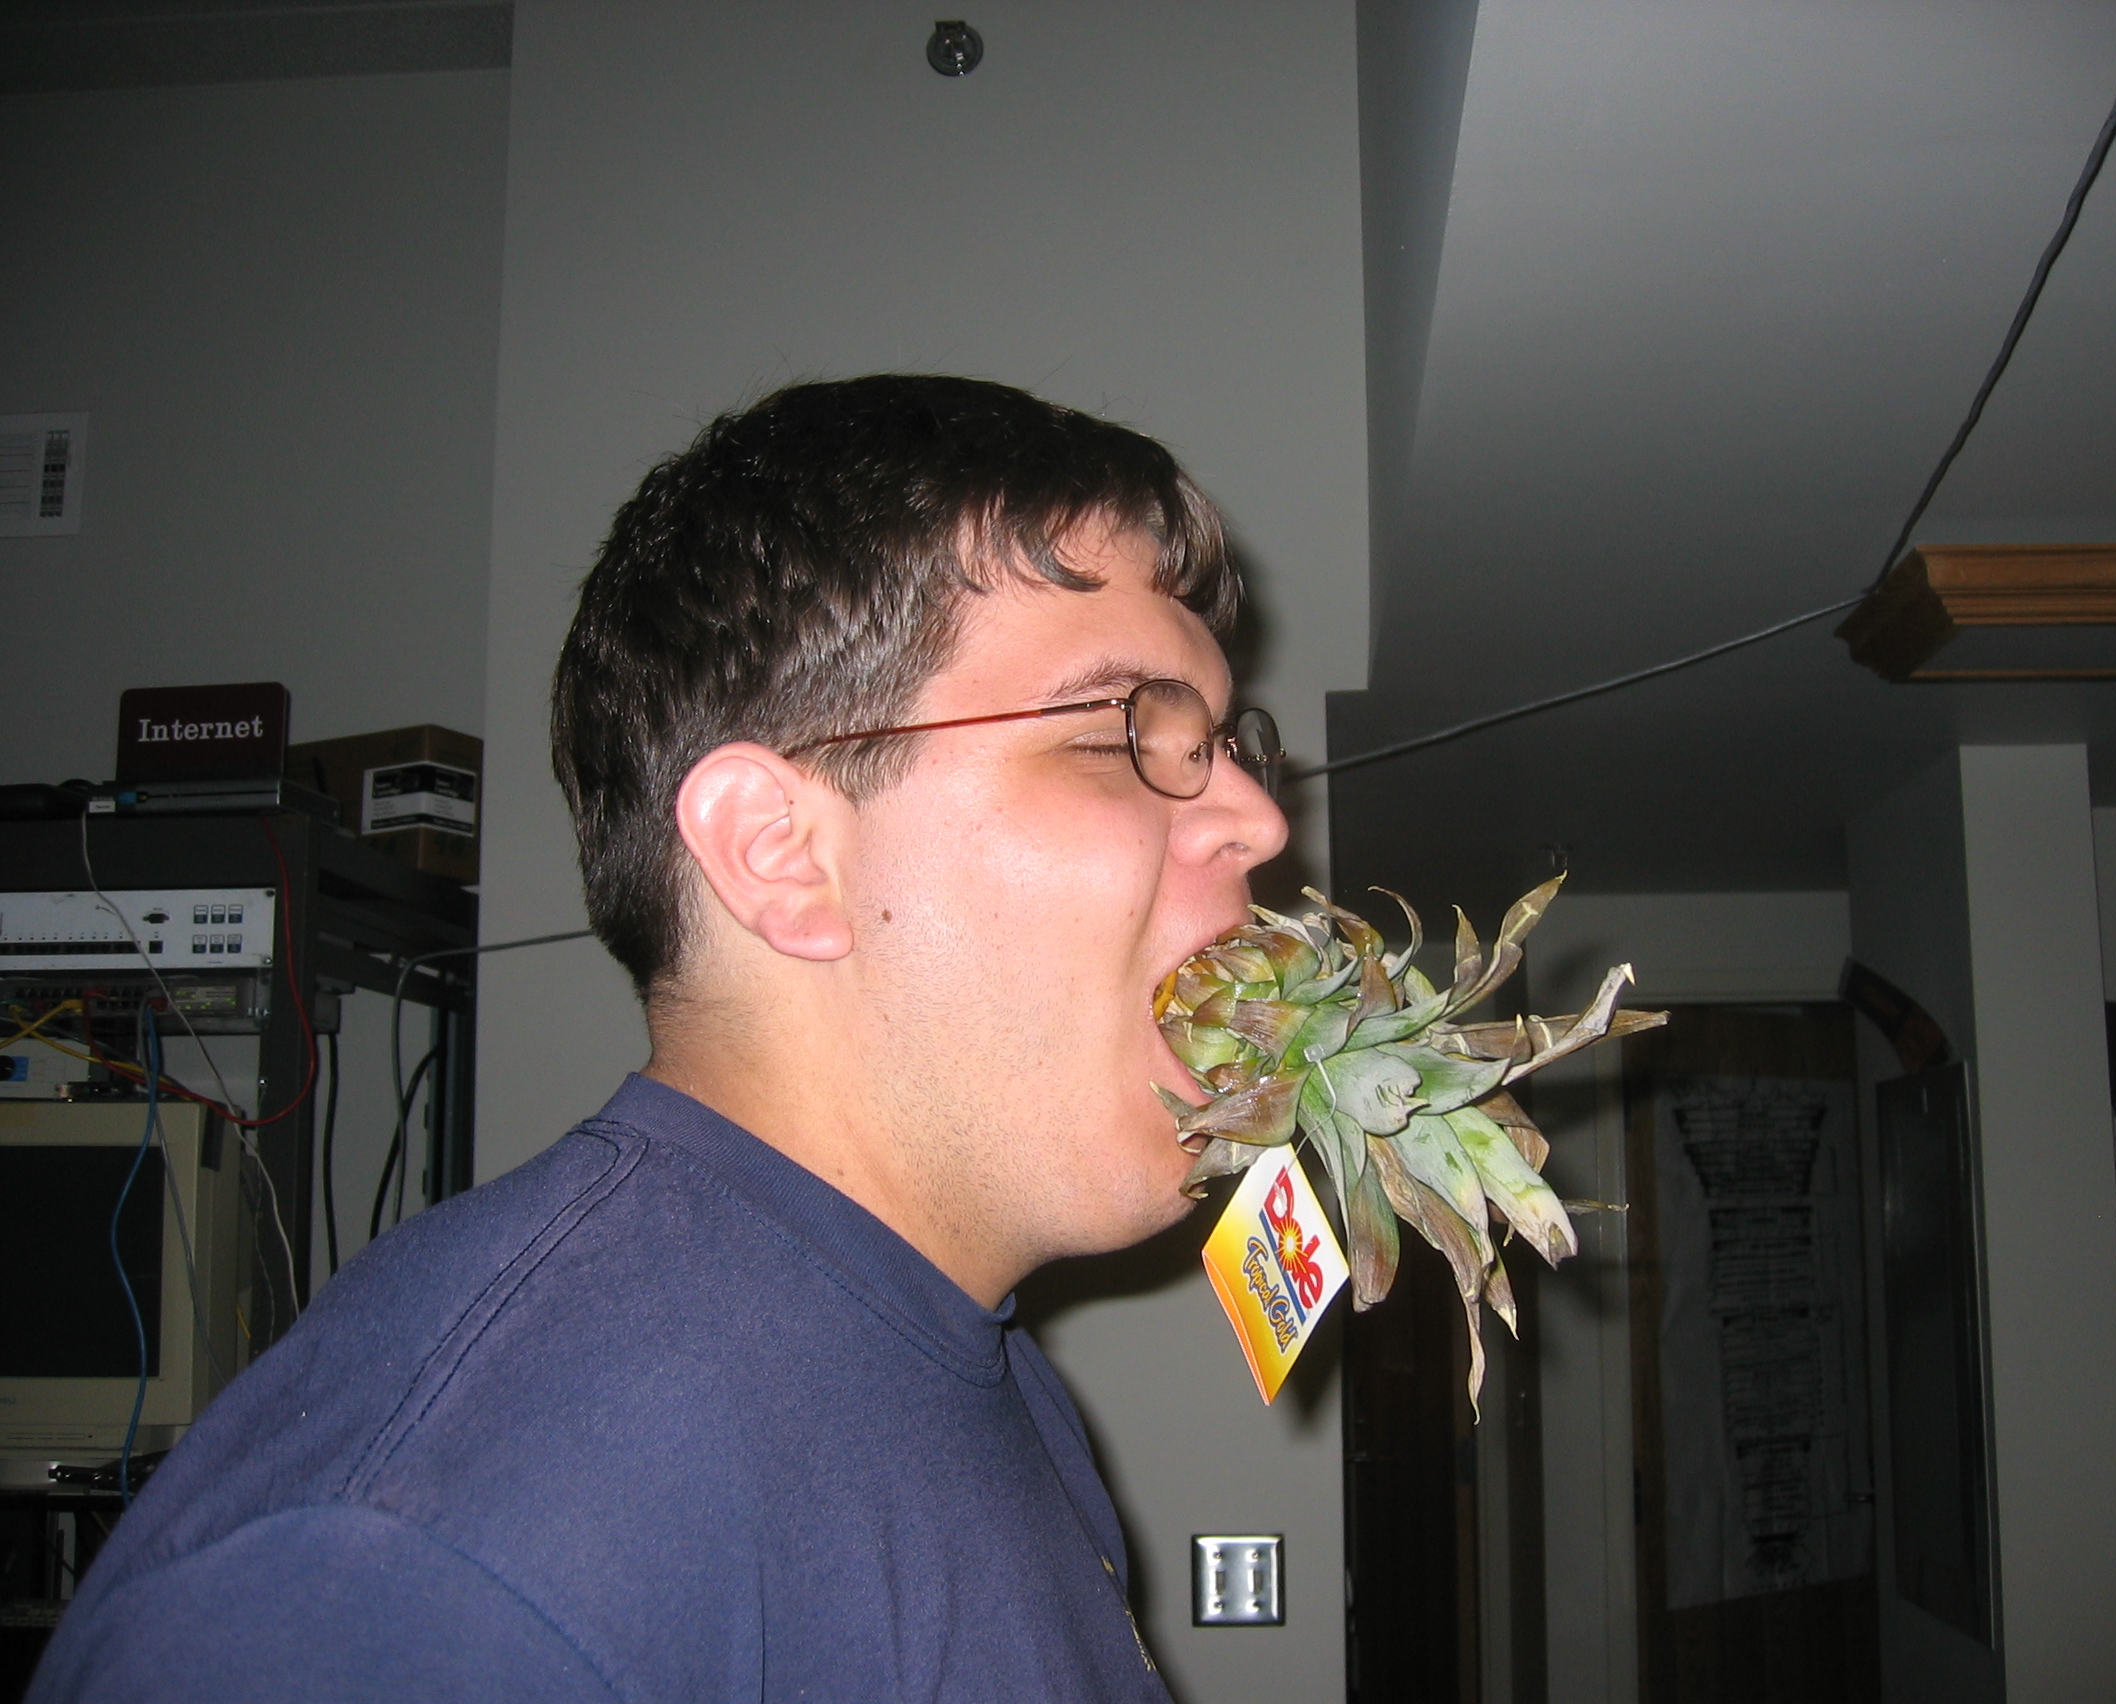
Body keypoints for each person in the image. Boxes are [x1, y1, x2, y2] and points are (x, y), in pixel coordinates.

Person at [29, 374, 1288, 1701]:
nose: (1259, 818)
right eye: (1120, 732)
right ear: (778, 852)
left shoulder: (999, 1378)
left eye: (1222, 741)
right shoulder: (412, 1573)